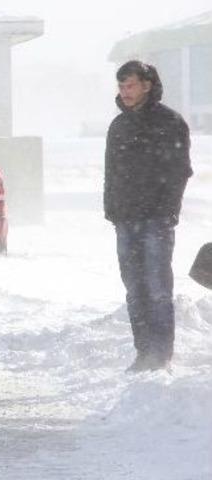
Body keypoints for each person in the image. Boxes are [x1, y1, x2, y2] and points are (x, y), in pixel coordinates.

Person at [104, 60, 192, 372]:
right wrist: (111, 210)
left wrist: (167, 211)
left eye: (130, 85)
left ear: (147, 85)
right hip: (125, 219)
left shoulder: (170, 121)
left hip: (157, 219)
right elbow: (111, 173)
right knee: (134, 288)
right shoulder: (118, 126)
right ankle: (143, 353)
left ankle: (161, 354)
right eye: (121, 86)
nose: (124, 92)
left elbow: (180, 170)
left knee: (157, 287)